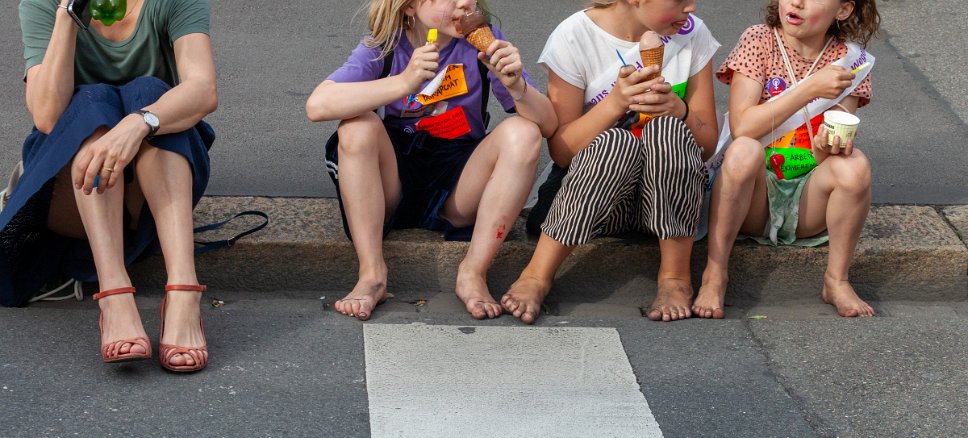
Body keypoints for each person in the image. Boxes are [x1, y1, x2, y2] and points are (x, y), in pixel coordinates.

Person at [1, 0, 218, 372]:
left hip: (148, 192)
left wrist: (138, 123)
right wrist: (68, 19)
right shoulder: (43, 3)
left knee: (150, 91)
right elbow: (47, 116)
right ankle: (114, 296)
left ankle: (183, 291)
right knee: (91, 101)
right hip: (71, 190)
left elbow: (203, 89)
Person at [306, 0, 556, 321]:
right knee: (356, 127)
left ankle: (473, 272)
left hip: (458, 178)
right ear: (409, 7)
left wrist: (517, 86)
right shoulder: (385, 45)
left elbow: (547, 125)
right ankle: (372, 274)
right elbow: (317, 105)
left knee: (524, 132)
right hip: (392, 180)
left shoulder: (482, 41)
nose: (464, 3)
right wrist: (403, 82)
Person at [502, 0, 720, 324]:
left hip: (667, 199)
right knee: (617, 142)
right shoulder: (575, 36)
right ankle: (536, 274)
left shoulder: (692, 34)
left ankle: (675, 278)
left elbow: (706, 144)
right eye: (679, 0)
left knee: (668, 131)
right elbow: (561, 151)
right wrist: (615, 103)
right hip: (598, 198)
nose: (692, 7)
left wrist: (680, 111)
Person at [694, 0, 880, 318]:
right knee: (744, 150)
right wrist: (809, 89)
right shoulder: (759, 40)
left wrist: (828, 145)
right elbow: (743, 126)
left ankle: (837, 280)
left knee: (855, 164)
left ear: (843, 10)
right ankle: (714, 273)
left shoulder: (850, 61)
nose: (797, 3)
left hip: (807, 194)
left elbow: (831, 144)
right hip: (752, 196)